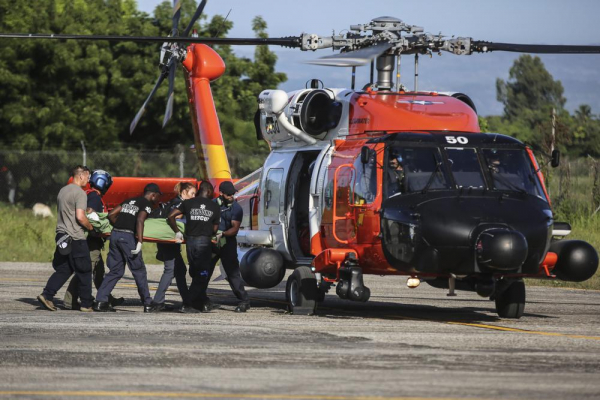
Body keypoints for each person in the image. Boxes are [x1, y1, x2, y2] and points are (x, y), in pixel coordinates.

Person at [93, 183, 162, 312]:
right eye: (158, 197)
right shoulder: (146, 204)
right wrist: (139, 241)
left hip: (115, 236)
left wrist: (120, 226)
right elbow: (140, 220)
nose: (159, 200)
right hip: (128, 238)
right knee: (139, 271)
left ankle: (100, 301)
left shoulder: (129, 200)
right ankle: (148, 304)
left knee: (116, 271)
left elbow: (111, 214)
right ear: (153, 195)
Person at [63, 169, 124, 310]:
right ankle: (69, 300)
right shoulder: (95, 198)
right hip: (91, 241)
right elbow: (90, 214)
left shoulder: (90, 194)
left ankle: (107, 298)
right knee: (86, 271)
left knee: (99, 272)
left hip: (91, 241)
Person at [38, 165, 94, 312]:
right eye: (87, 177)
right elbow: (80, 217)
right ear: (81, 176)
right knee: (85, 270)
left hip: (61, 236)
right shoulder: (80, 193)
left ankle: (47, 295)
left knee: (64, 269)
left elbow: (68, 211)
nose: (88, 181)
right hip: (75, 237)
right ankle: (86, 304)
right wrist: (90, 227)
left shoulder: (63, 190)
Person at [167, 181, 220, 313]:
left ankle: (201, 302)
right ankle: (188, 303)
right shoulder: (214, 206)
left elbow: (171, 216)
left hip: (190, 243)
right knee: (203, 274)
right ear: (208, 191)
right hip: (204, 242)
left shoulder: (188, 203)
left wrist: (177, 232)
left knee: (195, 272)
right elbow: (215, 229)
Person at [150, 182, 197, 311]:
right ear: (184, 193)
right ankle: (157, 302)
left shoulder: (172, 202)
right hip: (169, 241)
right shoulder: (180, 204)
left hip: (167, 241)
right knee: (170, 270)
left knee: (180, 270)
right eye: (192, 193)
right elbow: (176, 217)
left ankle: (187, 303)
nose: (194, 197)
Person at [209, 181, 250, 313]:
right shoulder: (212, 205)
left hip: (227, 243)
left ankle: (244, 300)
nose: (231, 196)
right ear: (221, 193)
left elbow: (235, 228)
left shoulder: (236, 208)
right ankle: (199, 298)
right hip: (212, 243)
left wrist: (223, 234)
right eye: (228, 194)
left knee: (233, 274)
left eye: (233, 194)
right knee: (204, 272)